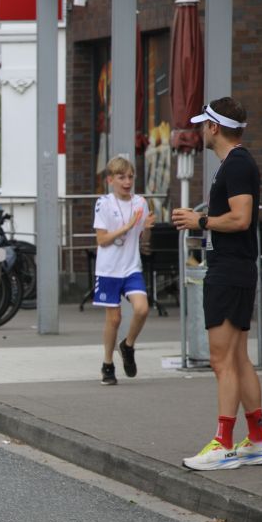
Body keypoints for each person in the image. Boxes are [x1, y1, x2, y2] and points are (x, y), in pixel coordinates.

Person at [173, 97, 262, 471]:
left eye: (204, 124)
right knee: (237, 358)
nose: (201, 130)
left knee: (221, 360)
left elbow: (241, 218)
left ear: (214, 127)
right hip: (235, 270)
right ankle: (258, 440)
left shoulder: (236, 164)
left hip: (229, 272)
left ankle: (223, 444)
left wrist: (199, 221)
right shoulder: (237, 163)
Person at [92, 156, 154, 385]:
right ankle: (107, 364)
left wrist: (147, 228)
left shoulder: (140, 203)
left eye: (130, 177)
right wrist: (126, 227)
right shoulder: (104, 203)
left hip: (131, 267)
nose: (127, 182)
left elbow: (142, 240)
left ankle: (128, 345)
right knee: (114, 319)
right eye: (121, 177)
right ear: (110, 180)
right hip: (108, 269)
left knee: (142, 309)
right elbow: (102, 240)